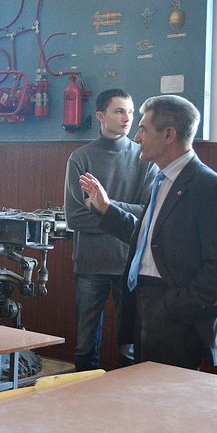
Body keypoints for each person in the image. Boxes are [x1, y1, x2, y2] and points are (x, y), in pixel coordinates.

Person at [80, 94, 217, 433]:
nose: (136, 136)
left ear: (168, 135)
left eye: (143, 128)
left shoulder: (209, 187)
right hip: (145, 305)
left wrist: (173, 307)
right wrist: (106, 210)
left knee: (173, 421)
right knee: (154, 417)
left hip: (177, 316)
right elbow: (147, 240)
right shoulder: (163, 180)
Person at [63, 89, 157, 370]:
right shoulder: (80, 158)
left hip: (130, 263)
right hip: (90, 263)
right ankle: (84, 396)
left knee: (130, 348)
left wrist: (104, 205)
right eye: (119, 111)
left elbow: (148, 215)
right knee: (84, 345)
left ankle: (126, 398)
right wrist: (121, 219)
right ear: (101, 116)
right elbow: (74, 218)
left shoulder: (145, 157)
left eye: (131, 112)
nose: (127, 118)